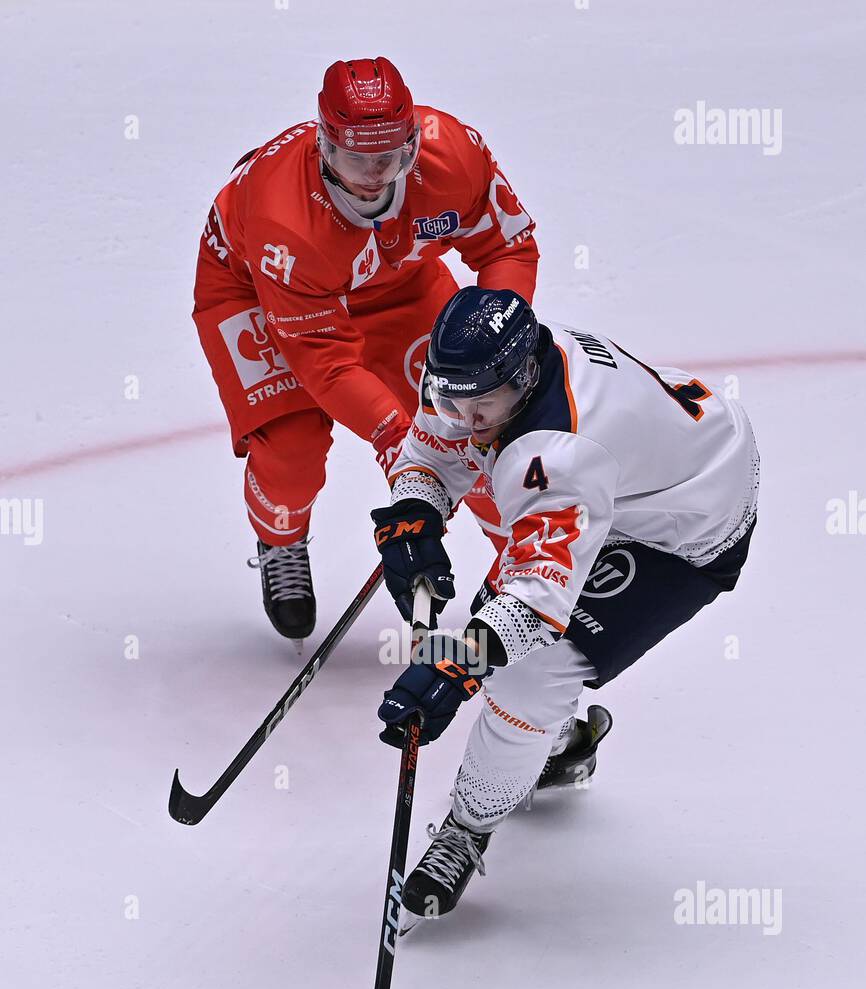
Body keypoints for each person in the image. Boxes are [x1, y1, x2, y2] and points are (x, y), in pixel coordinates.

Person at [372, 287, 759, 917]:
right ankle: (556, 744)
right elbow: (434, 451)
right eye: (450, 399)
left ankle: (469, 828)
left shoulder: (555, 453)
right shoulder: (482, 371)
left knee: (528, 675)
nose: (463, 419)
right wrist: (417, 510)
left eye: (481, 407)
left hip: (688, 520)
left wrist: (458, 666)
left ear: (523, 379)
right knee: (507, 653)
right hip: (634, 472)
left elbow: (534, 598)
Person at [193, 57, 538, 642]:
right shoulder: (285, 218)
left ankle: (526, 579)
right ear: (323, 146)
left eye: (391, 156)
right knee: (292, 451)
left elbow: (508, 245)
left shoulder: (451, 153)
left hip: (400, 282)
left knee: (479, 420)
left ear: (413, 139)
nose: (375, 174)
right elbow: (327, 361)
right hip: (256, 288)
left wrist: (492, 339)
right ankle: (281, 538)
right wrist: (397, 444)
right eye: (356, 158)